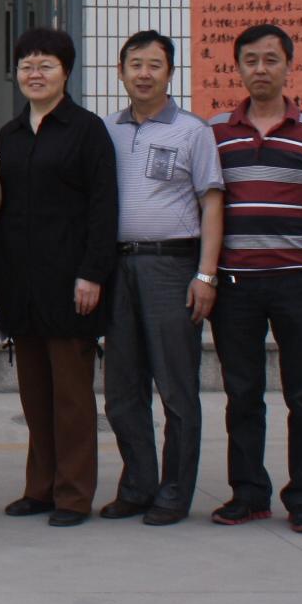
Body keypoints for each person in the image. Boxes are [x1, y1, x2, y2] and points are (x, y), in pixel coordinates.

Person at [208, 22, 302, 534]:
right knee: (242, 395)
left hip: (297, 283)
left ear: (289, 66)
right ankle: (248, 494)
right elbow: (208, 207)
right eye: (250, 60)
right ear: (238, 68)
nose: (261, 69)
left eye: (271, 59)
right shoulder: (217, 132)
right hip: (236, 285)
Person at [0, 26, 118, 528]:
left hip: (71, 284)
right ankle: (38, 488)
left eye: (46, 65)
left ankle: (73, 495)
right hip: (19, 285)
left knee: (73, 400)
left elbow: (104, 208)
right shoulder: (10, 134)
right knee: (35, 397)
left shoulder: (87, 130)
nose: (34, 74)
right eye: (26, 65)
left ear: (66, 72)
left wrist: (93, 273)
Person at [99, 31, 224, 526]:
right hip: (117, 268)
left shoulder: (193, 131)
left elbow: (211, 203)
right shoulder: (107, 129)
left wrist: (206, 275)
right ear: (121, 72)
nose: (144, 73)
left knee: (176, 389)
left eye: (155, 65)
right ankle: (137, 486)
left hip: (172, 267)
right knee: (121, 390)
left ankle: (174, 492)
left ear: (170, 73)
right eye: (135, 64)